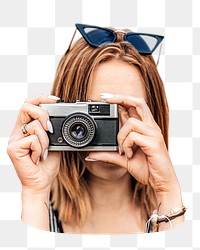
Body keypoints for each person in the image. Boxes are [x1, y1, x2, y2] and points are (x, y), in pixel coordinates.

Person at [7, 23, 186, 234]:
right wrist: (35, 194)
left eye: (128, 108)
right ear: (61, 112)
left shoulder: (175, 208)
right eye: (95, 111)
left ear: (153, 115)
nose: (117, 129)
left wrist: (166, 191)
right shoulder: (26, 211)